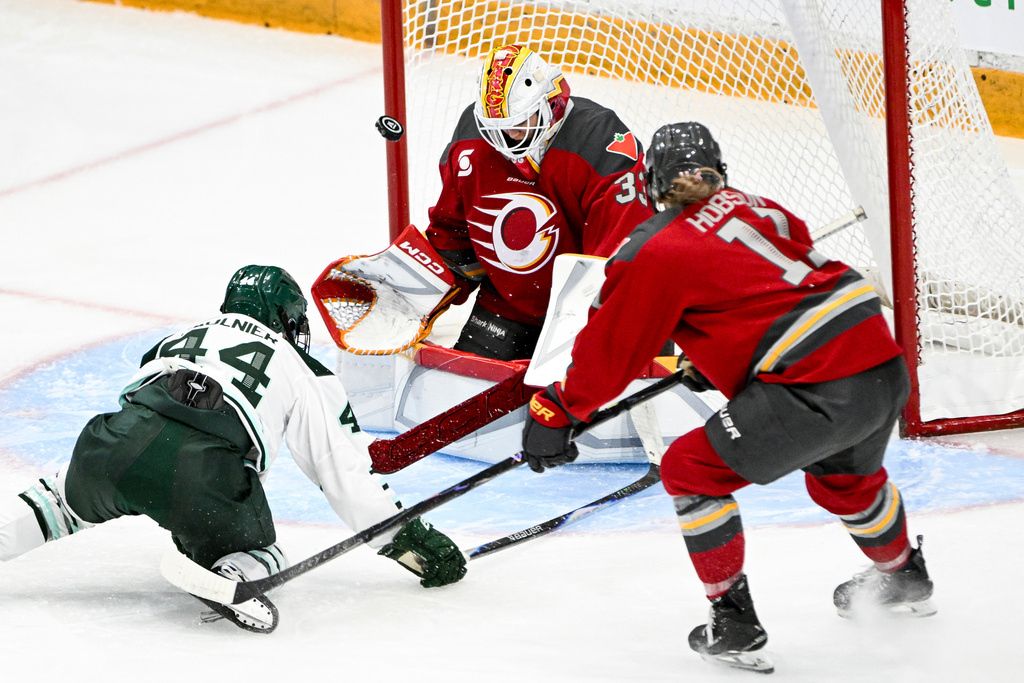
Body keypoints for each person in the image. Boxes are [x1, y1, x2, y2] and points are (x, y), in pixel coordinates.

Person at [520, 122, 935, 673]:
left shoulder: (654, 248)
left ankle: (734, 623)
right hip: (879, 361)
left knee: (691, 470)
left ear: (651, 181)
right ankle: (903, 573)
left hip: (815, 383)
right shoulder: (764, 207)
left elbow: (612, 349)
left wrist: (558, 409)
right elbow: (768, 291)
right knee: (846, 482)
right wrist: (716, 356)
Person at [0, 265, 467, 633]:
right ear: (284, 316)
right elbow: (343, 475)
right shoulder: (305, 370)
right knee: (266, 553)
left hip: (112, 447)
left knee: (61, 500)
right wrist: (409, 543)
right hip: (201, 480)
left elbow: (139, 399)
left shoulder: (182, 335)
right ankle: (231, 573)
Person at [425, 43, 655, 361]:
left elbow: (626, 249)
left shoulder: (599, 139)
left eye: (518, 122)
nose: (506, 137)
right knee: (463, 401)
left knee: (594, 408)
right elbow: (454, 232)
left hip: (591, 314)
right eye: (497, 127)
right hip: (506, 307)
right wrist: (415, 294)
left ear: (552, 103)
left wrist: (593, 328)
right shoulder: (472, 136)